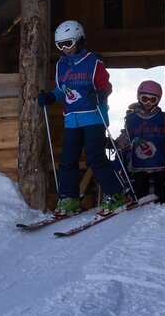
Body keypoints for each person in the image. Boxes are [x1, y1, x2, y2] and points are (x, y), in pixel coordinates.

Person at [37, 20, 131, 216]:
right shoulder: (61, 66)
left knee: (95, 156)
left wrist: (101, 94)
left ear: (79, 40)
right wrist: (51, 97)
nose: (65, 49)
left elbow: (105, 85)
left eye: (68, 43)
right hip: (71, 119)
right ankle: (69, 198)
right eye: (60, 45)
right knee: (67, 159)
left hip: (93, 117)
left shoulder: (93, 62)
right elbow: (62, 90)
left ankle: (116, 194)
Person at [116, 80, 165, 203]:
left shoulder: (164, 117)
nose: (148, 103)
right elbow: (127, 136)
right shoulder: (132, 118)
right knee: (141, 190)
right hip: (140, 163)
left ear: (158, 100)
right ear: (139, 97)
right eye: (145, 99)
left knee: (161, 190)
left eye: (153, 100)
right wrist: (116, 143)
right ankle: (140, 210)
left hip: (160, 162)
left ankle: (163, 209)